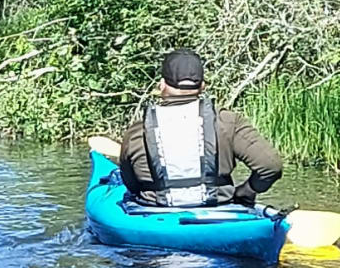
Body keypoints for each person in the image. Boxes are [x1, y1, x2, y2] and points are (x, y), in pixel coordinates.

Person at [115, 46, 284, 212]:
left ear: (162, 85)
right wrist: (247, 190)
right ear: (203, 86)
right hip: (221, 212)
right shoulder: (228, 122)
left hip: (155, 214)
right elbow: (270, 166)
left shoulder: (138, 131)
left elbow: (131, 184)